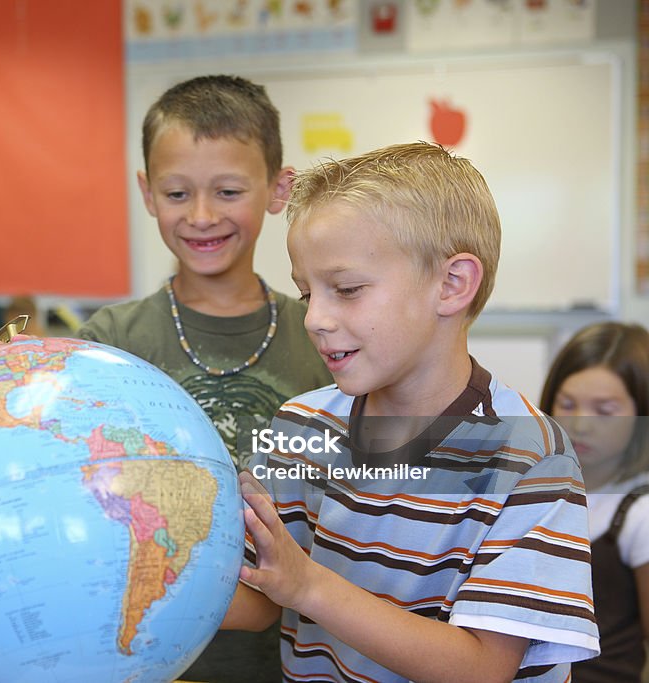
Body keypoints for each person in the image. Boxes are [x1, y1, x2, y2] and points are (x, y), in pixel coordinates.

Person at [229, 142, 599, 682]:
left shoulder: (533, 460)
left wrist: (308, 585)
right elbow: (262, 593)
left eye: (347, 290)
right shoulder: (300, 428)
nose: (314, 319)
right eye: (307, 294)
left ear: (452, 285)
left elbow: (480, 669)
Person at [76, 74, 331, 682]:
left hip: (302, 663)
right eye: (177, 193)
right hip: (143, 660)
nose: (201, 215)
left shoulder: (329, 341)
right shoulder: (107, 347)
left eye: (227, 190)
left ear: (278, 188)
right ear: (146, 192)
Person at [539, 321, 649, 682]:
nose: (581, 424)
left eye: (604, 410)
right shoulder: (540, 487)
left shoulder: (639, 513)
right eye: (567, 404)